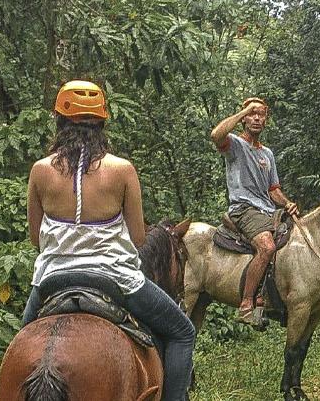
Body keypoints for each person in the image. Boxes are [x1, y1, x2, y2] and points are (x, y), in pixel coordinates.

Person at [21, 80, 196, 400]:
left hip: (51, 280)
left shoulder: (40, 170)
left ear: (59, 120)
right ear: (102, 121)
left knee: (22, 345)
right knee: (183, 332)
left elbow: (36, 238)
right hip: (115, 278)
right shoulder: (122, 170)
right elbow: (139, 237)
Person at [208, 97, 300, 326]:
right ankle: (246, 304)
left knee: (293, 240)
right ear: (244, 118)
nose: (257, 118)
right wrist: (242, 112)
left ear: (266, 120)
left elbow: (273, 190)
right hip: (244, 209)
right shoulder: (236, 145)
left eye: (261, 114)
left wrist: (287, 203)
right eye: (252, 113)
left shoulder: (267, 154)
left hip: (267, 210)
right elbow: (215, 136)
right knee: (267, 246)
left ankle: (272, 300)